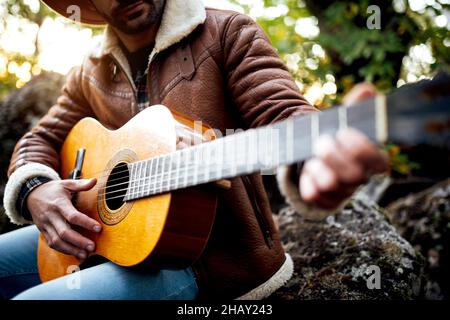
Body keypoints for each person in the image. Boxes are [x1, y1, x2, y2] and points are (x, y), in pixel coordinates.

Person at [0, 0, 388, 300]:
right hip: (107, 240)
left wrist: (320, 153)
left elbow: (283, 113)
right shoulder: (90, 71)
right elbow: (41, 138)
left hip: (206, 261)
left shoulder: (226, 31)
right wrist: (36, 190)